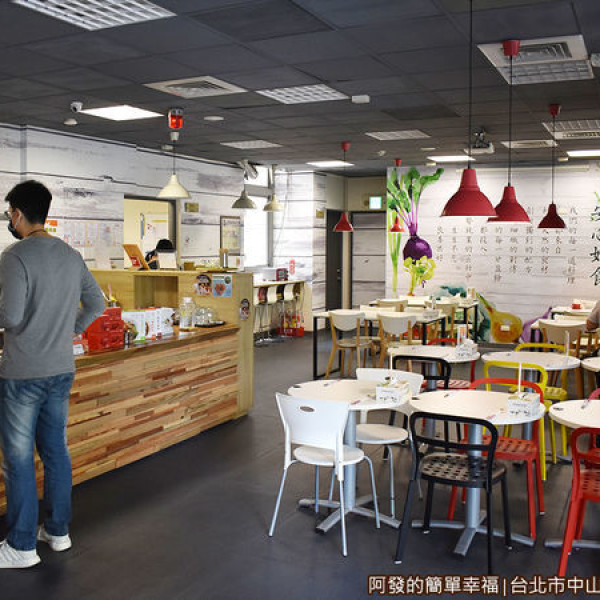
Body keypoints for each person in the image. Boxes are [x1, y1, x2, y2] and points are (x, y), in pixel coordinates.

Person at [0, 181, 105, 568]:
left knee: (18, 459)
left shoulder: (14, 256)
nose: (9, 219)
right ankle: (58, 532)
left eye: (9, 213)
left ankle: (22, 545)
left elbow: (10, 316)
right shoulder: (70, 254)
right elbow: (97, 303)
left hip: (23, 372)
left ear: (17, 214)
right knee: (55, 451)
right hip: (61, 369)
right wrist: (69, 329)